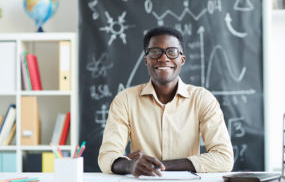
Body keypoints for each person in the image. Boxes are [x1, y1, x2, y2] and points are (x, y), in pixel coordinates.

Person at [98, 26, 234, 177]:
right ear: (146, 60)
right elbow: (106, 157)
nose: (163, 58)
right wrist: (131, 165)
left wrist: (156, 166)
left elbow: (224, 158)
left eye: (172, 52)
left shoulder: (202, 99)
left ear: (182, 60)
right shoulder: (125, 100)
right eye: (155, 52)